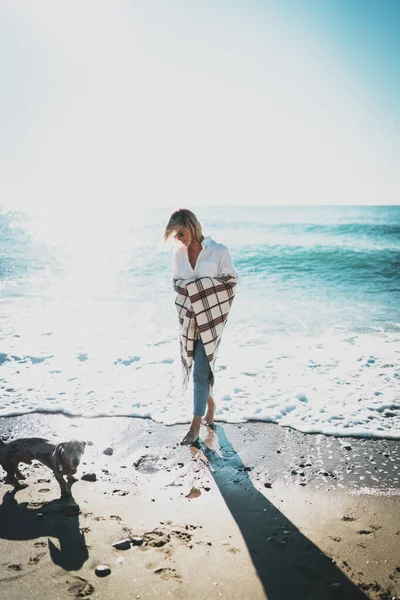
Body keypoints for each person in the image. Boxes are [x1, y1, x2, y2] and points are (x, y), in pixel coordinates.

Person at [164, 208, 238, 445]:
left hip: (212, 318)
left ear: (192, 226)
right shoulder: (179, 255)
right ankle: (210, 404)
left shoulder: (219, 252)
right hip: (188, 318)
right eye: (175, 236)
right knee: (197, 364)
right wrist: (193, 292)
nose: (179, 239)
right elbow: (177, 284)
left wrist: (199, 288)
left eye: (181, 233)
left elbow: (230, 283)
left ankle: (195, 425)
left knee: (199, 371)